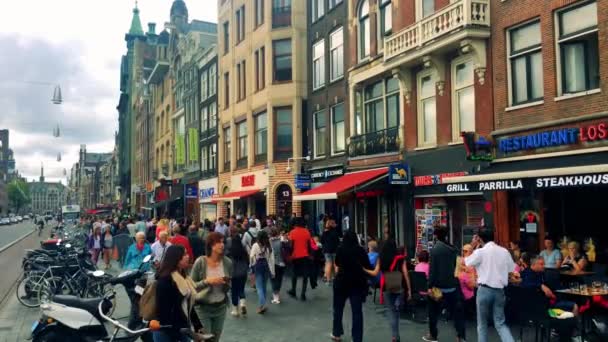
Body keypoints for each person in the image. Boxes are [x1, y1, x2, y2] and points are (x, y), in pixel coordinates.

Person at [465, 229, 516, 342]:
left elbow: (467, 262)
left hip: (484, 290)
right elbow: (512, 269)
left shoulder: (480, 252)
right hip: (499, 291)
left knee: (482, 324)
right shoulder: (504, 251)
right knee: (500, 323)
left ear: (479, 238)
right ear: (494, 236)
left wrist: (472, 245)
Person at [423, 226, 466, 342]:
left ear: (436, 235)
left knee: (433, 313)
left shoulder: (435, 250)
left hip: (438, 286)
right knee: (457, 313)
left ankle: (433, 334)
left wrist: (429, 286)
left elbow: (432, 271)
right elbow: (457, 268)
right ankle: (460, 336)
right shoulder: (454, 249)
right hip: (452, 285)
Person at [364, 237, 411, 342]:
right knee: (396, 310)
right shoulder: (400, 257)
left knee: (391, 311)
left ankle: (395, 335)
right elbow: (406, 273)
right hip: (399, 283)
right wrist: (409, 289)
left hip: (386, 284)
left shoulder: (381, 257)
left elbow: (375, 272)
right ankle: (398, 308)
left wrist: (363, 269)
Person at [153, 244, 201, 342]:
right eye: (184, 255)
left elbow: (187, 305)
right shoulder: (165, 280)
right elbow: (163, 312)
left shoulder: (184, 278)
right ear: (175, 258)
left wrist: (198, 326)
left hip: (181, 329)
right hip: (167, 332)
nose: (187, 257)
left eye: (187, 254)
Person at [191, 232, 232, 342]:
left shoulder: (227, 262)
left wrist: (226, 283)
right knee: (203, 340)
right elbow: (191, 286)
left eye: (223, 242)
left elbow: (229, 283)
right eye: (219, 242)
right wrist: (207, 281)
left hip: (220, 307)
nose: (222, 245)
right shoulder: (200, 262)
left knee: (215, 339)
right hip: (202, 308)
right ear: (211, 245)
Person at [331, 230, 371, 342]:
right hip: (357, 283)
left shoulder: (340, 249)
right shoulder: (360, 250)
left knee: (338, 309)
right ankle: (357, 338)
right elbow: (367, 265)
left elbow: (337, 263)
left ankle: (337, 333)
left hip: (341, 282)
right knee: (357, 312)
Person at [249, 230, 275, 314]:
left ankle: (262, 305)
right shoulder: (268, 245)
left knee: (259, 287)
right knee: (264, 286)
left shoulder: (255, 245)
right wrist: (273, 271)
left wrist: (252, 264)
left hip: (258, 266)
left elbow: (251, 256)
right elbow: (271, 258)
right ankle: (263, 305)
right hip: (266, 266)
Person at [226, 225, 249, 316]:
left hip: (233, 269)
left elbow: (225, 254)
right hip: (243, 269)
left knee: (233, 290)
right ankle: (242, 303)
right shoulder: (241, 242)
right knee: (241, 288)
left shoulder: (228, 242)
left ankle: (235, 310)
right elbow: (246, 254)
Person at [287, 217, 312, 301]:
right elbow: (309, 245)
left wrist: (289, 255)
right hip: (305, 256)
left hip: (295, 256)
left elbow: (291, 246)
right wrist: (310, 254)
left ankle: (293, 290)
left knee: (294, 274)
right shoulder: (307, 232)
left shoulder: (292, 232)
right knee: (305, 275)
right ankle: (303, 294)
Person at [269, 228, 287, 304]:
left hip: (272, 263)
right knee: (279, 279)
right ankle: (277, 294)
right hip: (281, 263)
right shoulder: (281, 241)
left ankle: (275, 296)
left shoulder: (269, 242)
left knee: (273, 279)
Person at [321, 219, 341, 283]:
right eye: (334, 223)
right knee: (336, 264)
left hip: (327, 250)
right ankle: (337, 278)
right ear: (332, 224)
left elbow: (322, 241)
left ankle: (328, 279)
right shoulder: (335, 232)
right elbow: (338, 241)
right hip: (335, 249)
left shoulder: (325, 232)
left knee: (328, 264)